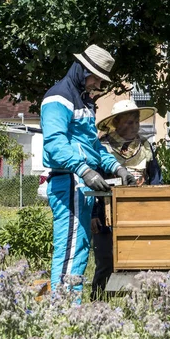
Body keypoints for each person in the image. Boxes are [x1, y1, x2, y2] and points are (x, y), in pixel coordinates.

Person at [41, 45, 136, 293]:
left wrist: (117, 168)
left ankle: (73, 308)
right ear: (84, 70)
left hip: (79, 182)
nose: (98, 86)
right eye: (97, 79)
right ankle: (62, 309)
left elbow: (92, 145)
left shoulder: (82, 100)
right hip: (69, 180)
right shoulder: (59, 98)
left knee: (79, 246)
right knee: (70, 247)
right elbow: (54, 145)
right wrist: (84, 170)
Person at [90, 99, 162, 299]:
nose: (133, 127)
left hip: (140, 213)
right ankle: (98, 302)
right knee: (106, 260)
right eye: (128, 123)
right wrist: (93, 215)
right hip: (107, 213)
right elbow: (94, 181)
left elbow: (156, 179)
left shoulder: (146, 146)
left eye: (136, 122)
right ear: (116, 123)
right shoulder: (102, 147)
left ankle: (138, 301)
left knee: (138, 258)